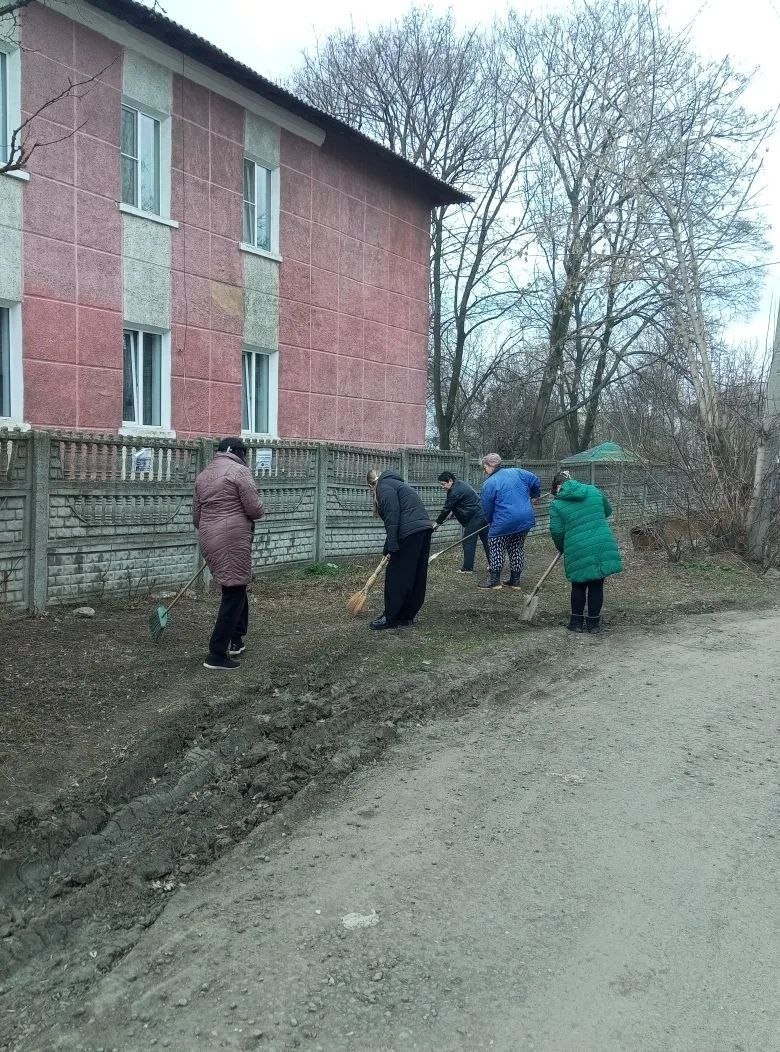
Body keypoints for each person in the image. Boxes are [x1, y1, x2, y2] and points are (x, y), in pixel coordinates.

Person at [193, 437, 264, 670]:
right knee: (234, 592)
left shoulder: (204, 475)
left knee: (236, 586)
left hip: (209, 537)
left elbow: (196, 516)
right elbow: (254, 509)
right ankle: (216, 653)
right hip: (232, 538)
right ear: (239, 452)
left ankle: (236, 639)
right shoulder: (239, 471)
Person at [549, 470, 624, 633]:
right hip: (600, 543)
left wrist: (562, 547)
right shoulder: (593, 490)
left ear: (558, 486)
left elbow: (557, 531)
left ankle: (576, 623)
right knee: (597, 584)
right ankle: (593, 625)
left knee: (578, 584)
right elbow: (607, 511)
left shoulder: (557, 504)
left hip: (576, 546)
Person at [367, 467, 434, 630]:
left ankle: (391, 618)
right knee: (415, 574)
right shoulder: (398, 484)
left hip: (409, 533)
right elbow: (399, 519)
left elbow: (392, 515)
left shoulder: (383, 486)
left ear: (371, 485)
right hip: (423, 530)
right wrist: (388, 546)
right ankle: (406, 616)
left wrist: (392, 544)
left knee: (396, 576)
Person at [479, 453, 541, 590]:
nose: (484, 470)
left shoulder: (489, 483)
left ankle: (494, 581)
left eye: (484, 467)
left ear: (490, 465)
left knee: (496, 547)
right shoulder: (518, 472)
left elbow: (487, 507)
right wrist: (535, 495)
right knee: (516, 547)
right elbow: (535, 480)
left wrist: (490, 521)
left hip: (504, 521)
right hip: (524, 519)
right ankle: (515, 580)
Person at [433, 471, 490, 573]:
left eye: (443, 484)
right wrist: (453, 512)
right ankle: (494, 564)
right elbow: (462, 502)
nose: (442, 487)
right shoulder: (460, 484)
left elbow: (446, 508)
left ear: (450, 481)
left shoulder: (454, 491)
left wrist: (437, 523)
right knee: (486, 540)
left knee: (468, 540)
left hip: (476, 516)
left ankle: (467, 568)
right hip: (483, 513)